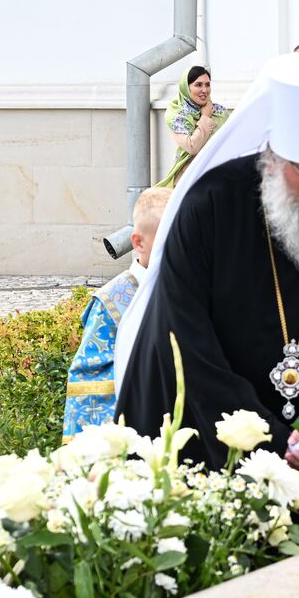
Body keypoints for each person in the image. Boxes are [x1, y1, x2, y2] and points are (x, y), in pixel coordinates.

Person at [116, 53, 299, 544]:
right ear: (274, 164)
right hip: (216, 454)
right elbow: (184, 341)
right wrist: (267, 440)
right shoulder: (210, 206)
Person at [62, 187, 173, 441]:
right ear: (138, 242)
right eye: (168, 239)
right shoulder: (112, 302)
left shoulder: (191, 288)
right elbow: (89, 384)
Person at [156, 66, 231, 188]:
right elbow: (192, 147)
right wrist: (205, 117)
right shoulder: (177, 115)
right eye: (198, 85)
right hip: (190, 181)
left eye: (207, 85)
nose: (204, 90)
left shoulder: (220, 112)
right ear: (186, 87)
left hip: (220, 177)